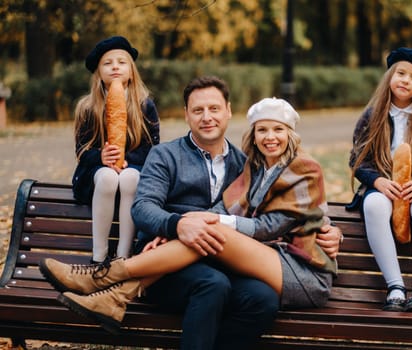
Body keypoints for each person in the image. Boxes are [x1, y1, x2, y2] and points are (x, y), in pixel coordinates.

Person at [41, 76, 342, 350]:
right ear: (186, 115)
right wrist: (174, 227)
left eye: (214, 108)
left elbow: (283, 216)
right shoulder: (167, 155)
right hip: (168, 267)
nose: (207, 117)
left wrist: (332, 231)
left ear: (228, 112)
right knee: (212, 283)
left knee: (261, 299)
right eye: (198, 110)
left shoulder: (245, 163)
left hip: (230, 258)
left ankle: (111, 284)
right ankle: (110, 283)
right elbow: (143, 208)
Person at [347, 47, 412, 313]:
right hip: (383, 186)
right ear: (390, 77)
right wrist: (377, 182)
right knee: (374, 206)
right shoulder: (372, 116)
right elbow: (358, 159)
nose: (405, 80)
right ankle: (395, 286)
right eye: (401, 73)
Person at [71, 36, 160, 264]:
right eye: (107, 63)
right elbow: (82, 151)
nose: (115, 67)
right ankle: (98, 256)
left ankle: (123, 255)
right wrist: (102, 156)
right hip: (96, 175)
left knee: (130, 178)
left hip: (135, 170)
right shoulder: (87, 107)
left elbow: (153, 148)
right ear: (98, 72)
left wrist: (125, 158)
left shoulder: (145, 105)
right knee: (109, 177)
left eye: (122, 62)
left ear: (132, 71)